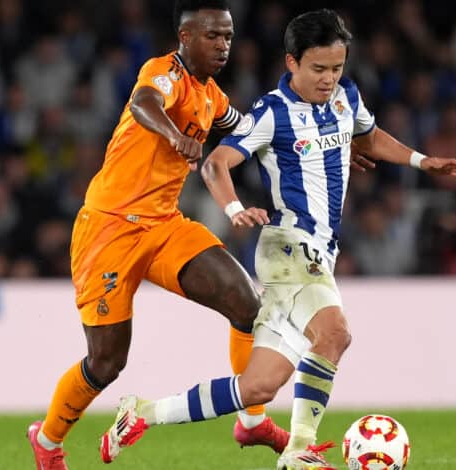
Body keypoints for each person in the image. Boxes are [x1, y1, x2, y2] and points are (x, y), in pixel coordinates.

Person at [102, 9, 456, 470]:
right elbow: (216, 163)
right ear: (292, 62)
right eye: (318, 68)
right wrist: (235, 209)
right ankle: (298, 451)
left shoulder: (345, 98)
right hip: (289, 246)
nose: (328, 78)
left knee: (258, 386)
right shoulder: (271, 111)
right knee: (335, 334)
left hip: (318, 252)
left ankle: (142, 412)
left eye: (337, 68)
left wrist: (421, 161)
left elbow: (369, 136)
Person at [26, 2, 290, 469]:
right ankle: (47, 442)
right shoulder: (163, 72)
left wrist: (311, 150)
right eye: (213, 36)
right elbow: (142, 103)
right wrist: (174, 135)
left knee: (249, 305)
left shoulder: (213, 98)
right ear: (186, 38)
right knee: (107, 363)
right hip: (109, 228)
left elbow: (249, 134)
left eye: (228, 37)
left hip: (164, 225)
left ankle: (251, 421)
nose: (224, 46)